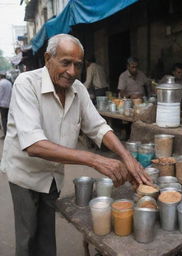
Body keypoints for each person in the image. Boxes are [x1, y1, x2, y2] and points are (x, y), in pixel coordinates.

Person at [0, 34, 151, 256]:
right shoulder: (26, 83)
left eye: (77, 65)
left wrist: (127, 157)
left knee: (46, 237)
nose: (72, 71)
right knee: (27, 239)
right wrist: (95, 159)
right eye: (65, 63)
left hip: (52, 176)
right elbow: (33, 144)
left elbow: (98, 127)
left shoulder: (78, 89)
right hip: (25, 174)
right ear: (47, 58)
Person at [0, 72, 12, 137]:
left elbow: (0, 94)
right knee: (8, 119)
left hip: (3, 105)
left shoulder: (1, 83)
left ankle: (6, 134)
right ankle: (10, 133)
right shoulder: (9, 83)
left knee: (4, 120)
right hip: (9, 103)